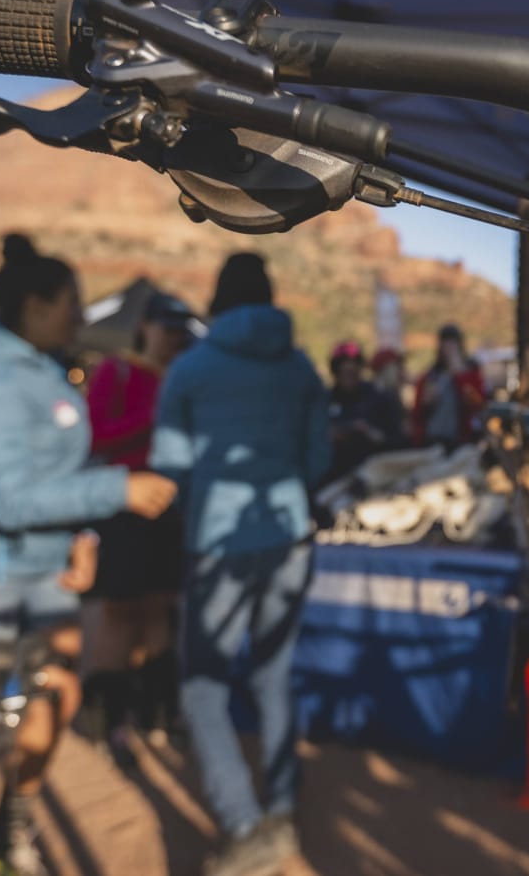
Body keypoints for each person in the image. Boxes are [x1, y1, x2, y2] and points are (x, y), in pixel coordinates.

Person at [0, 236, 177, 876]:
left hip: (47, 580)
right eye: (72, 303)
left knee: (52, 703)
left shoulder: (46, 371)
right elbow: (10, 500)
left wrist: (81, 540)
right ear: (35, 306)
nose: (81, 316)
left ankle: (13, 829)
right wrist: (119, 489)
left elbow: (64, 470)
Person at [152, 252, 330, 876]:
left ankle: (245, 824)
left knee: (203, 687)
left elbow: (170, 467)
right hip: (289, 534)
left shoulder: (191, 367)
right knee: (272, 675)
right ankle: (279, 810)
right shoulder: (299, 364)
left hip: (219, 541)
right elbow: (319, 453)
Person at [78, 291, 194, 765]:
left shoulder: (183, 376)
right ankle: (111, 720)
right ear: (146, 327)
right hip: (123, 506)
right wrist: (153, 418)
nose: (173, 338)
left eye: (180, 330)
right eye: (167, 328)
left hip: (169, 507)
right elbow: (95, 434)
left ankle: (157, 710)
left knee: (160, 611)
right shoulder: (117, 370)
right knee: (120, 613)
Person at [325, 340, 406, 481]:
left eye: (353, 372)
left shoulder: (378, 397)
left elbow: (398, 440)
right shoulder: (325, 400)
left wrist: (374, 435)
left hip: (374, 474)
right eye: (344, 372)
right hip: (335, 475)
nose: (349, 377)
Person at [410, 324, 486, 449]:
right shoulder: (431, 377)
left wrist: (460, 375)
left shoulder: (470, 374)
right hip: (433, 439)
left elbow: (478, 403)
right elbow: (418, 411)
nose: (449, 349)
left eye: (453, 344)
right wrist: (427, 402)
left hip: (462, 439)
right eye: (446, 344)